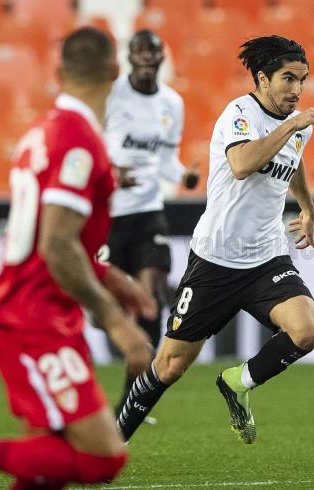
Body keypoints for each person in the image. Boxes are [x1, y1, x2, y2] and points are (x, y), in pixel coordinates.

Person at [0, 27, 154, 488]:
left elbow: (62, 240)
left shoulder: (43, 134)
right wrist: (116, 322)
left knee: (51, 460)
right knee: (103, 458)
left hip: (36, 312)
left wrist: (109, 277)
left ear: (58, 73)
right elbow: (57, 245)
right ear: (114, 71)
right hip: (33, 318)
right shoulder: (77, 140)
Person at [116, 35, 314, 444]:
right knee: (169, 366)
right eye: (288, 78)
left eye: (302, 80)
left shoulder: (295, 125)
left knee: (307, 330)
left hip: (266, 258)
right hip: (215, 261)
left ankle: (237, 383)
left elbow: (294, 159)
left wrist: (307, 207)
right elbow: (240, 164)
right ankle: (112, 440)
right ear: (262, 79)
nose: (297, 89)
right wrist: (292, 126)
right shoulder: (239, 114)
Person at [102, 29, 199, 421]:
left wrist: (183, 176)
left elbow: (166, 159)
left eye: (153, 52)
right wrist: (109, 173)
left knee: (152, 297)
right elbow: (87, 143)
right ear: (129, 56)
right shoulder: (110, 96)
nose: (146, 58)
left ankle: (132, 400)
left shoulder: (172, 103)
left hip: (148, 211)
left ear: (161, 57)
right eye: (139, 51)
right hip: (107, 214)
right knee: (105, 310)